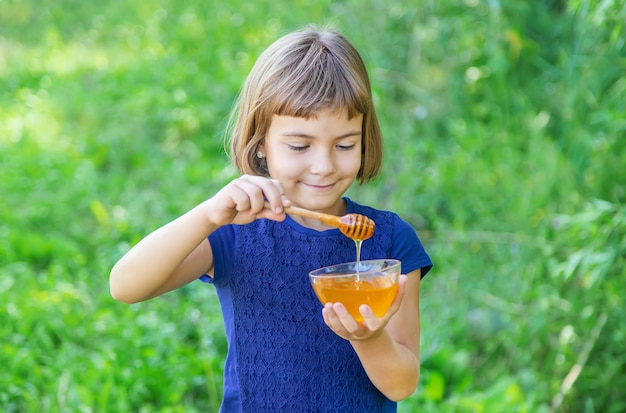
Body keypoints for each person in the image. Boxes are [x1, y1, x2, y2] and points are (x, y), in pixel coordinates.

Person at [110, 25, 432, 413]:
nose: (323, 166)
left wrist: (368, 338)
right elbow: (126, 286)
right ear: (261, 143)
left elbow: (401, 384)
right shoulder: (235, 233)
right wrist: (208, 215)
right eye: (300, 145)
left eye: (345, 144)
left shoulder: (391, 241)